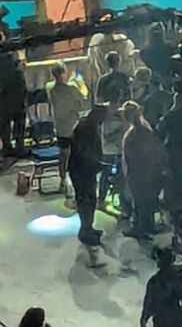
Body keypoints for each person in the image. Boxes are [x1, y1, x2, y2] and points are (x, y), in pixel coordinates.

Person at [122, 101, 166, 238]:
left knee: (138, 201)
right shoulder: (147, 130)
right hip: (150, 171)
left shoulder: (131, 135)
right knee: (149, 200)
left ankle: (139, 227)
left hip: (137, 173)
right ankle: (149, 225)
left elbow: (129, 157)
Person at [70, 103, 109, 245]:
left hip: (85, 170)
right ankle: (85, 231)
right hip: (82, 171)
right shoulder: (86, 129)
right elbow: (84, 153)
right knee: (86, 200)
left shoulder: (89, 125)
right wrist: (98, 164)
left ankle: (88, 228)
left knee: (90, 200)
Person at [47, 62, 87, 194]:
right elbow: (82, 103)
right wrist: (79, 83)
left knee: (63, 155)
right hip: (73, 126)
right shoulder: (72, 89)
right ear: (64, 73)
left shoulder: (51, 89)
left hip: (60, 126)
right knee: (76, 155)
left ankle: (62, 180)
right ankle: (78, 181)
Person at [141, 247, 182, 327]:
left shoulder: (154, 281)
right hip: (175, 319)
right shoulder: (177, 278)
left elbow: (148, 303)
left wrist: (144, 318)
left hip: (160, 320)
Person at [0, 48, 27, 157]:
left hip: (3, 98)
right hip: (16, 95)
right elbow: (19, 77)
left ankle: (7, 147)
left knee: (5, 123)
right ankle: (19, 146)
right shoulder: (10, 56)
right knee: (19, 122)